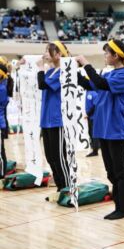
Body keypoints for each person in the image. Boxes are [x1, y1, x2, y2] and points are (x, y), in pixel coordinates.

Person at [76, 39, 124, 220]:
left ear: (116, 55)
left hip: (116, 129)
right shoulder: (110, 74)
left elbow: (99, 83)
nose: (104, 56)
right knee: (111, 171)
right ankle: (119, 202)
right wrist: (71, 72)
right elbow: (90, 84)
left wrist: (86, 65)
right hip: (104, 129)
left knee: (120, 171)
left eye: (106, 53)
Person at [32, 41, 71, 192]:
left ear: (58, 54)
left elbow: (43, 85)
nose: (45, 54)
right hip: (46, 120)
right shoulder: (49, 72)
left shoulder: (63, 72)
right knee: (51, 157)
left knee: (59, 157)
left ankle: (68, 187)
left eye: (48, 51)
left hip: (57, 120)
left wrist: (40, 68)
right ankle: (60, 188)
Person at [85, 90, 100, 157]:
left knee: (94, 134)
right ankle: (95, 147)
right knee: (90, 132)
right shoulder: (87, 92)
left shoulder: (94, 93)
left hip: (94, 117)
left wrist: (88, 114)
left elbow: (95, 105)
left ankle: (95, 151)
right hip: (90, 117)